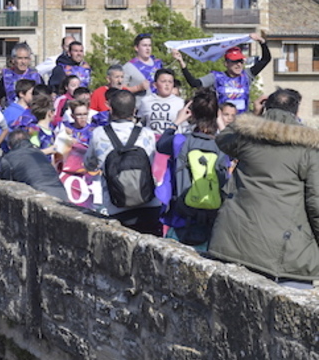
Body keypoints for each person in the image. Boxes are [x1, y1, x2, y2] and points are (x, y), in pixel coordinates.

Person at [208, 89, 319, 286]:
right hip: (284, 254)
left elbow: (223, 137)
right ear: (296, 111)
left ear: (266, 106)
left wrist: (253, 115)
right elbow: (316, 202)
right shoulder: (308, 148)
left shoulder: (247, 138)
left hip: (234, 241)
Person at [156, 87, 229, 249]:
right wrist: (222, 125)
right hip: (212, 221)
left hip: (181, 217)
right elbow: (235, 148)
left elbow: (161, 145)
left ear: (192, 114)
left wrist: (176, 121)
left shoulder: (180, 142)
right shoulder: (223, 146)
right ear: (217, 114)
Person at [84, 89, 162, 235]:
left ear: (111, 109)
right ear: (134, 110)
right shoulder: (147, 134)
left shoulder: (99, 134)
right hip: (149, 203)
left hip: (117, 206)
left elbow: (89, 165)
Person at [172, 33, 270, 114]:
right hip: (222, 122)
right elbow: (194, 83)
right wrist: (182, 63)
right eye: (235, 61)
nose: (239, 65)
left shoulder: (247, 75)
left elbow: (266, 59)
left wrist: (262, 42)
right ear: (226, 63)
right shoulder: (216, 77)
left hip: (243, 122)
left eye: (241, 61)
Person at [0, 130, 68, 201]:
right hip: (61, 193)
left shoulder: (8, 158)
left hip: (39, 194)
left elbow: (4, 186)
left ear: (9, 146)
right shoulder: (40, 153)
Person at [136, 68, 185, 135]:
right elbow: (141, 121)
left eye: (170, 82)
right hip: (151, 140)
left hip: (171, 140)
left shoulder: (180, 103)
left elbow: (184, 126)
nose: (167, 84)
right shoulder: (146, 101)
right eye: (163, 81)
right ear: (155, 85)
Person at [0, 42, 42, 107]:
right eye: (20, 58)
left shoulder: (36, 76)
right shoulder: (6, 77)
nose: (23, 62)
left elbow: (43, 97)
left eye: (26, 58)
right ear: (13, 60)